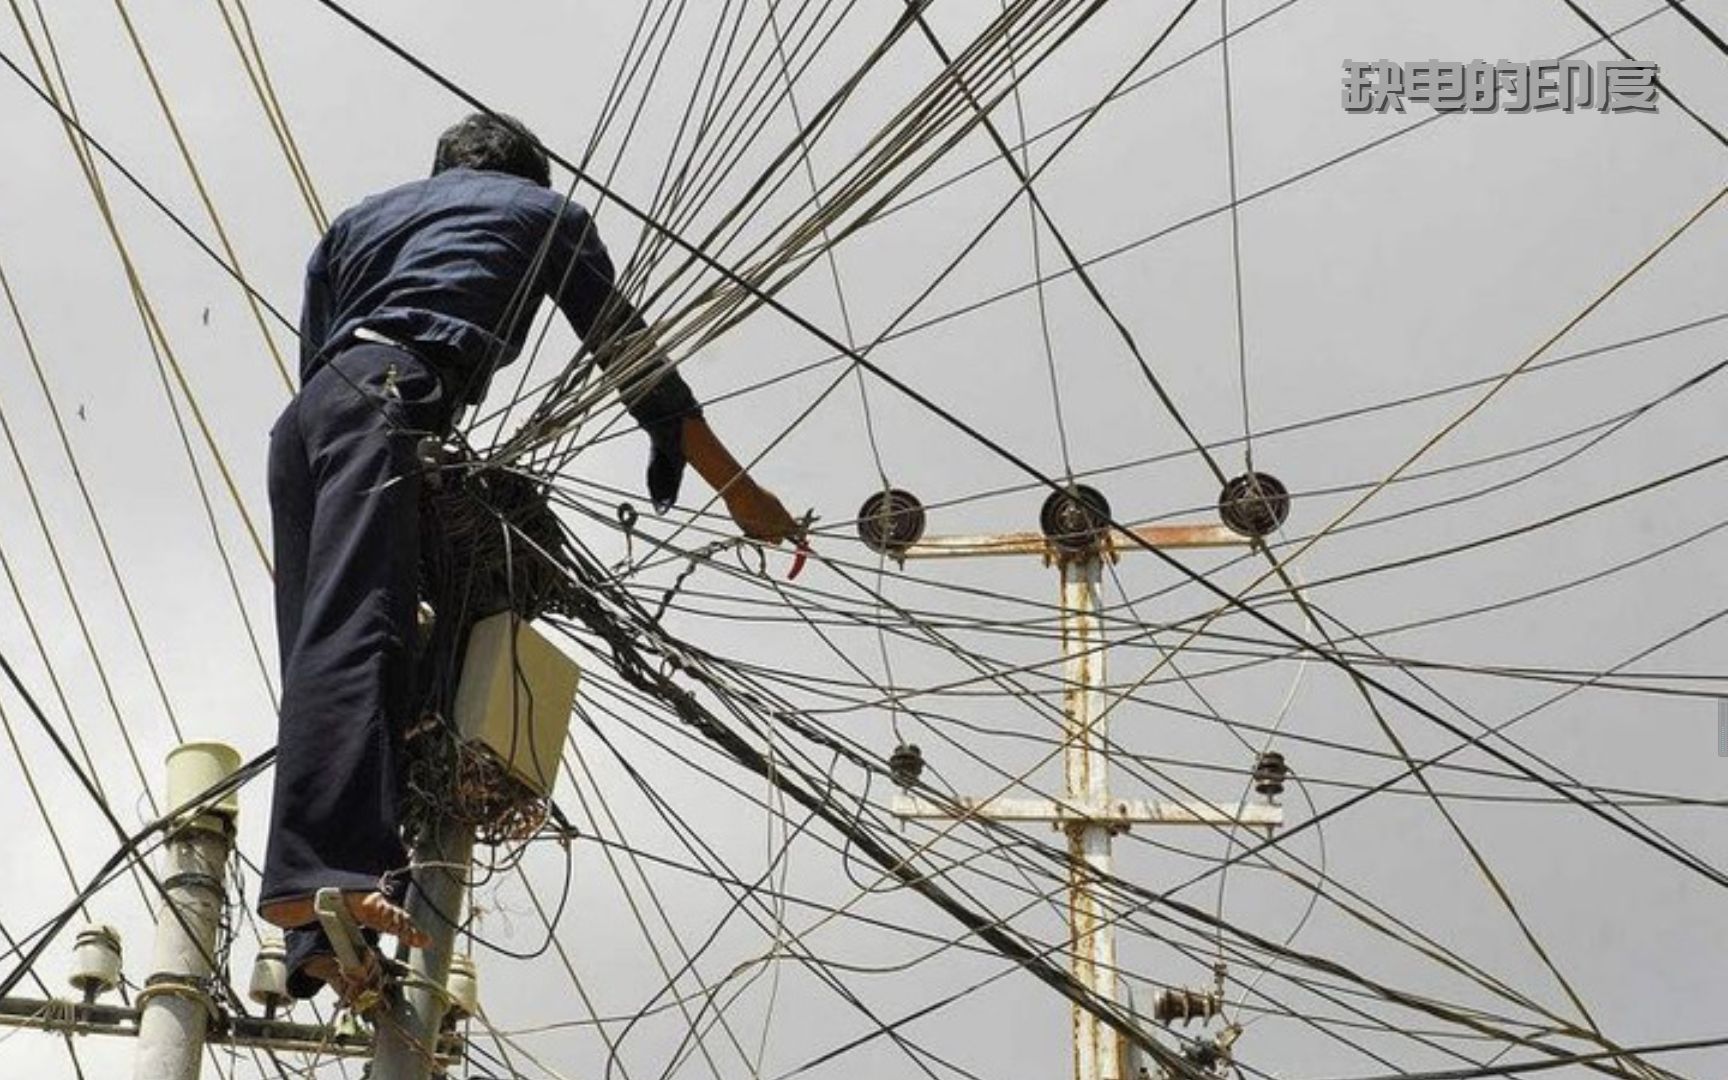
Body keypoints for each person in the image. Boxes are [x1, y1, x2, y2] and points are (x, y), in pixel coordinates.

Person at [260, 112, 797, 997]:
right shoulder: (546, 216)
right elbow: (630, 357)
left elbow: (321, 349)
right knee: (367, 629)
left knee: (324, 649)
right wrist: (736, 489)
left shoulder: (356, 219)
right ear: (532, 177)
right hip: (392, 394)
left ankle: (320, 931)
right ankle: (323, 879)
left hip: (306, 421)